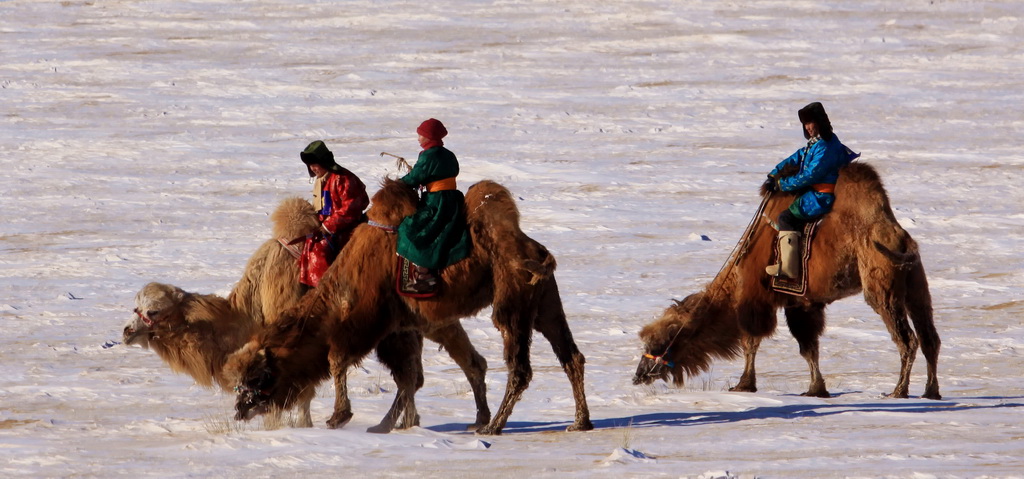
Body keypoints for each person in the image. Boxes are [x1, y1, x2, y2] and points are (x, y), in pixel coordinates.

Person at [764, 102, 858, 278]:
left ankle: (789, 267)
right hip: (814, 193)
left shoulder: (826, 147)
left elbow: (811, 175)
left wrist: (782, 185)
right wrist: (774, 174)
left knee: (786, 217)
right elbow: (798, 156)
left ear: (820, 122)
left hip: (821, 197)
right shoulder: (818, 142)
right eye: (805, 124)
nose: (807, 128)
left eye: (810, 123)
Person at [396, 118, 471, 292]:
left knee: (415, 230)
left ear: (429, 137)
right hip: (452, 198)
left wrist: (398, 185)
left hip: (436, 200)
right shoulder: (448, 154)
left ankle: (424, 273)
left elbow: (415, 177)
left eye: (421, 135)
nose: (418, 138)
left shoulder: (429, 155)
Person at [298, 140, 370, 288]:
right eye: (310, 165)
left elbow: (351, 209)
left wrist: (327, 226)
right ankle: (309, 286)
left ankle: (326, 288)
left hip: (346, 227)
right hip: (327, 226)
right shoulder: (322, 180)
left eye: (315, 164)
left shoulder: (343, 179)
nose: (313, 168)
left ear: (323, 161)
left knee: (319, 248)